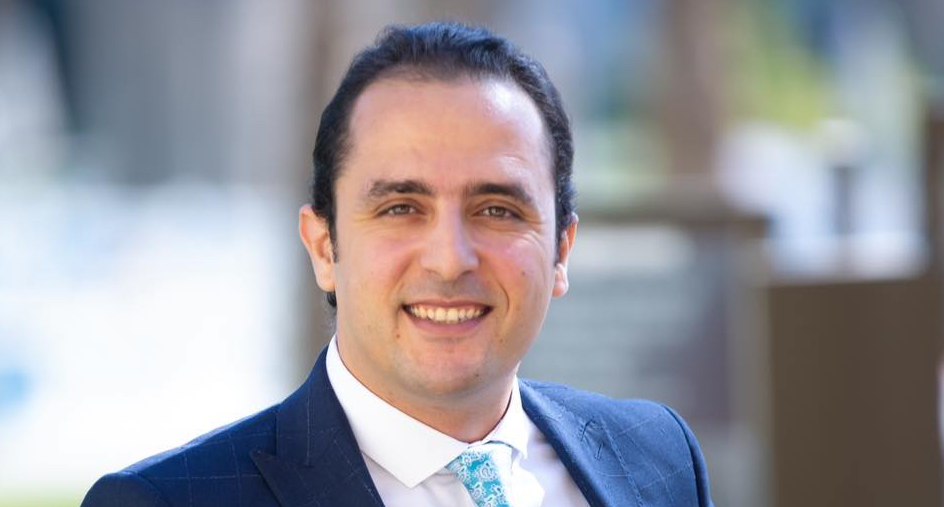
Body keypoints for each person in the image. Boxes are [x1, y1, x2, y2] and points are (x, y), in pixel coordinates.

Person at [82, 22, 713, 507]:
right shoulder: (168, 502)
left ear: (561, 251)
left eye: (497, 210)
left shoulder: (658, 460)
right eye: (401, 208)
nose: (450, 259)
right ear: (324, 248)